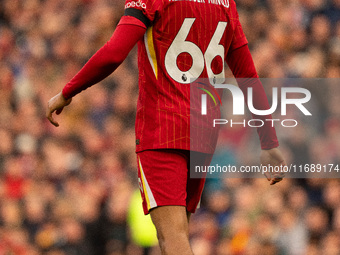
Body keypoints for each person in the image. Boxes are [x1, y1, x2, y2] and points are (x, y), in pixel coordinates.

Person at [46, 0, 286, 254]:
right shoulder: (225, 4)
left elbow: (115, 52)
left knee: (172, 240)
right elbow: (249, 77)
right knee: (177, 236)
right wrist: (268, 141)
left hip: (163, 129)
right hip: (204, 133)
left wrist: (68, 91)